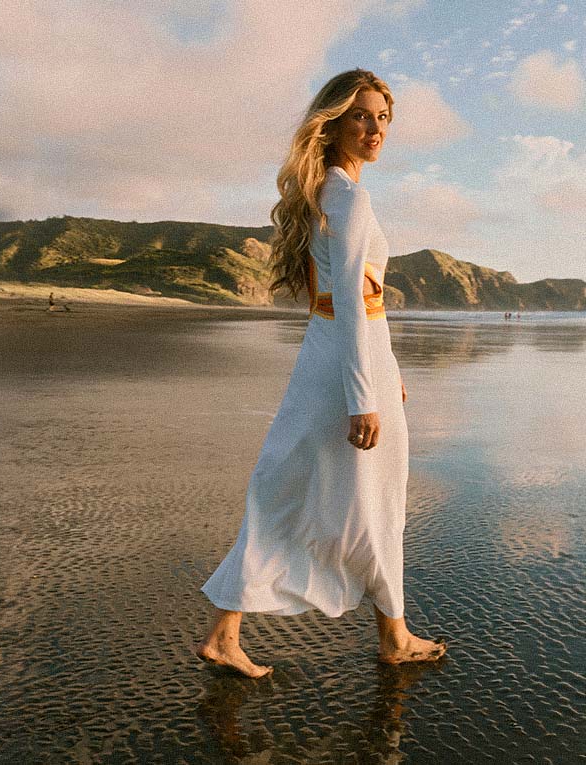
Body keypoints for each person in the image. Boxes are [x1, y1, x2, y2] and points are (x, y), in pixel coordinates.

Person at [195, 68, 447, 678]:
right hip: (346, 368)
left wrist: (386, 371)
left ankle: (385, 631)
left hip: (328, 357)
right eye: (363, 115)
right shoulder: (349, 199)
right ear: (332, 123)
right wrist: (367, 393)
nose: (375, 129)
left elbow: (348, 301)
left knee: (286, 492)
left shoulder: (325, 195)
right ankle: (393, 636)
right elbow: (358, 305)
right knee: (373, 500)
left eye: (384, 118)